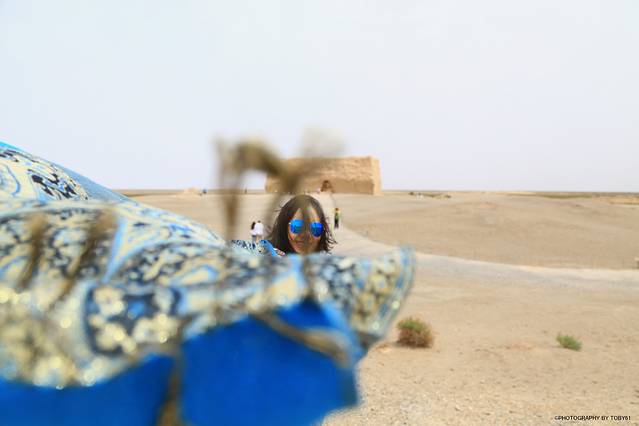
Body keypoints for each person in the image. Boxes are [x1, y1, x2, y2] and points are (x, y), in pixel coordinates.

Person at [268, 194, 335, 254]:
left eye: (315, 228)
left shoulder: (329, 262)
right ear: (284, 227)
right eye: (298, 226)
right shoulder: (269, 260)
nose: (306, 234)